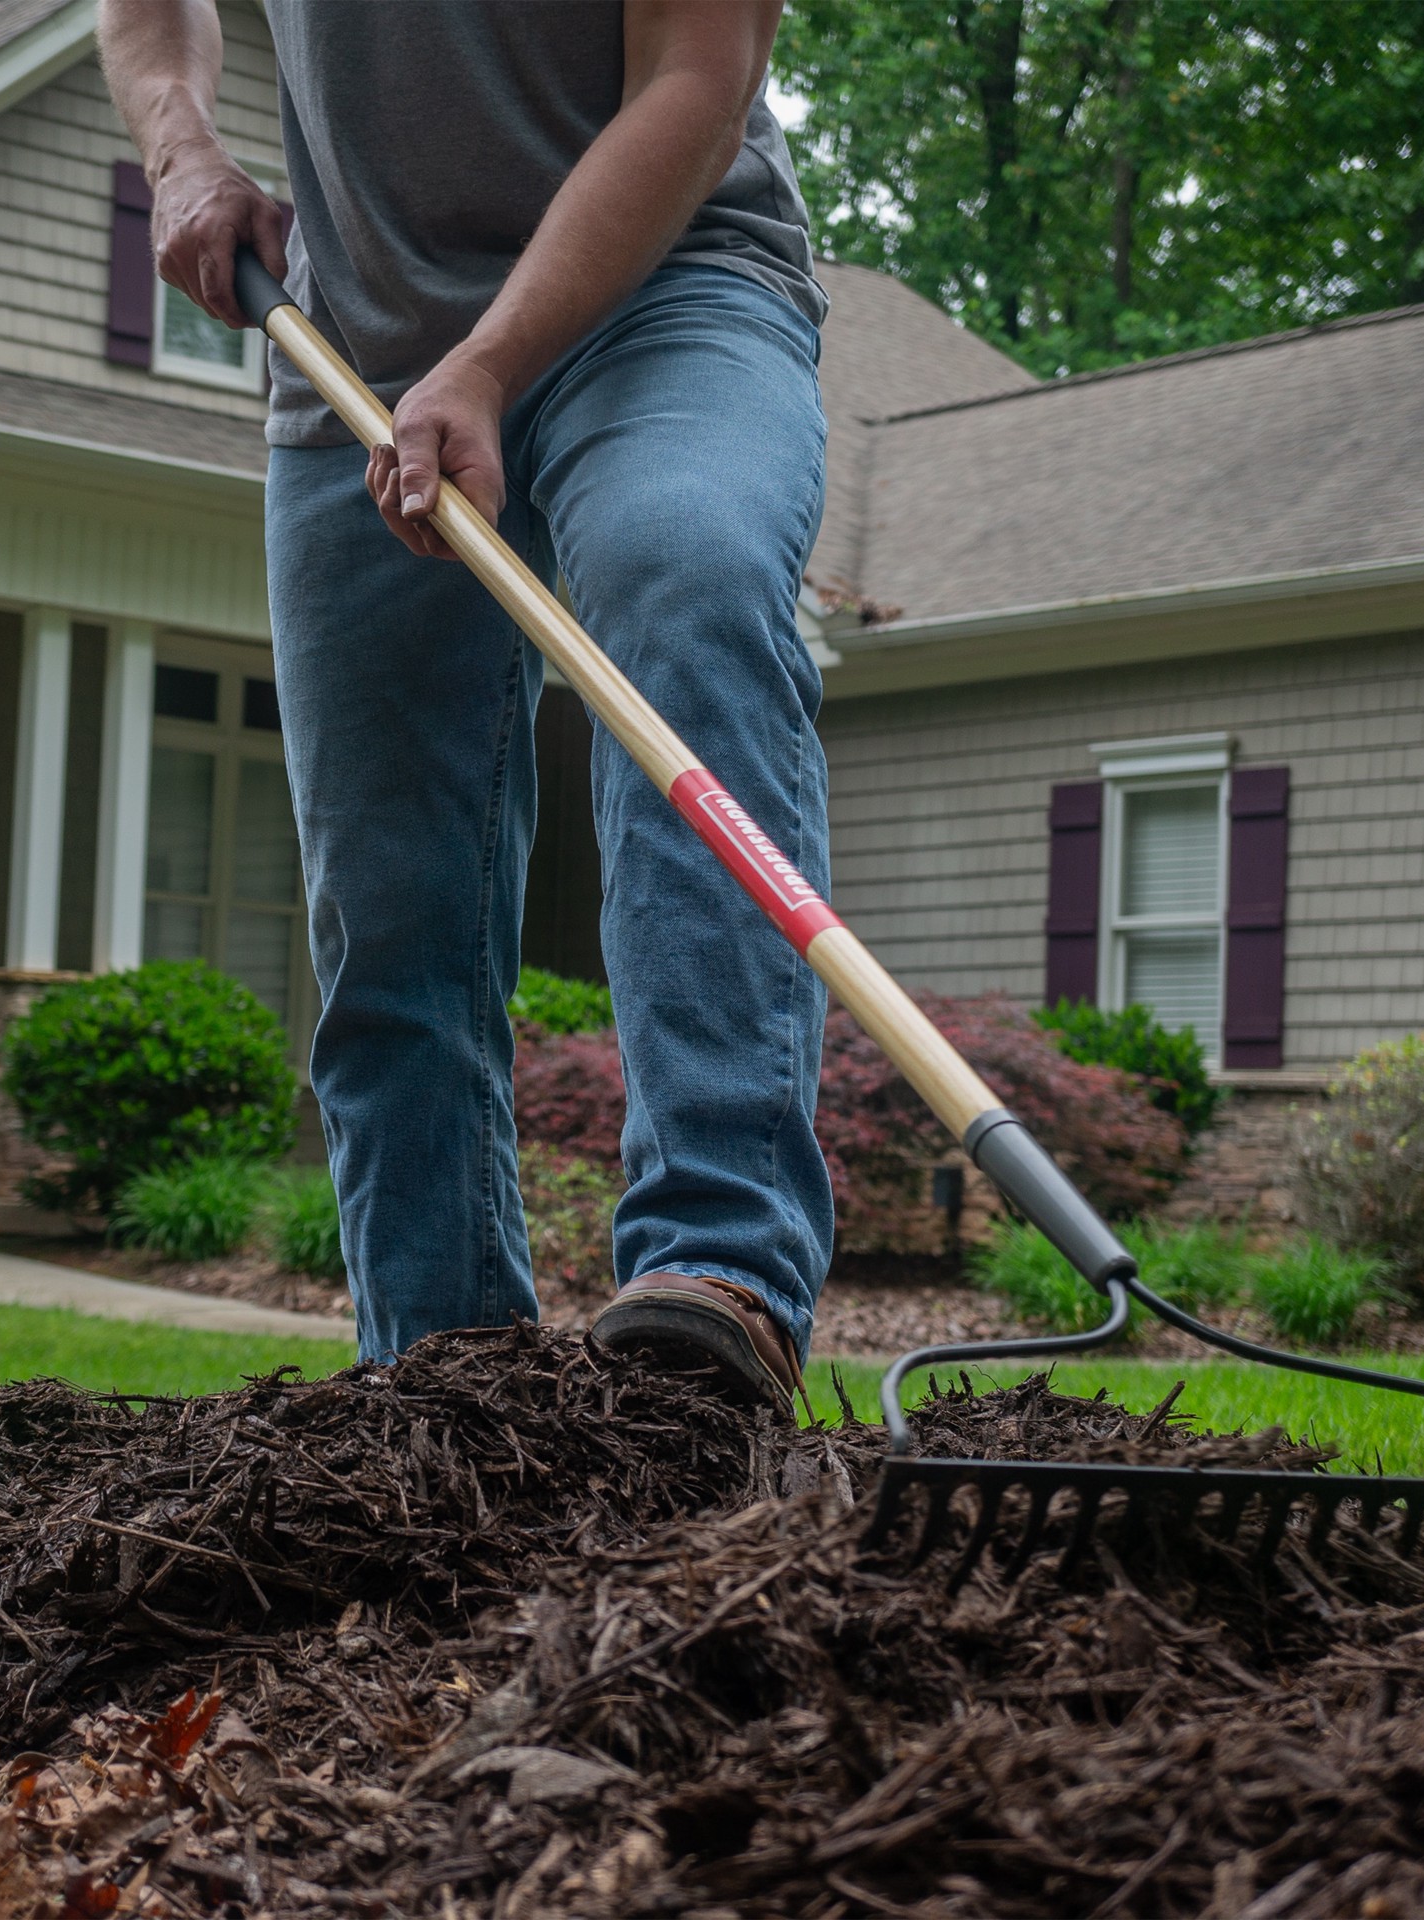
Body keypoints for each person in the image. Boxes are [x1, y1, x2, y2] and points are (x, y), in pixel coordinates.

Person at [99, 0, 831, 1414]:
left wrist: (489, 365)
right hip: (358, 352)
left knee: (685, 574)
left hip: (670, 292)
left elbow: (699, 73)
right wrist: (181, 155)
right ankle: (446, 1386)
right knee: (388, 899)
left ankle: (718, 1276)